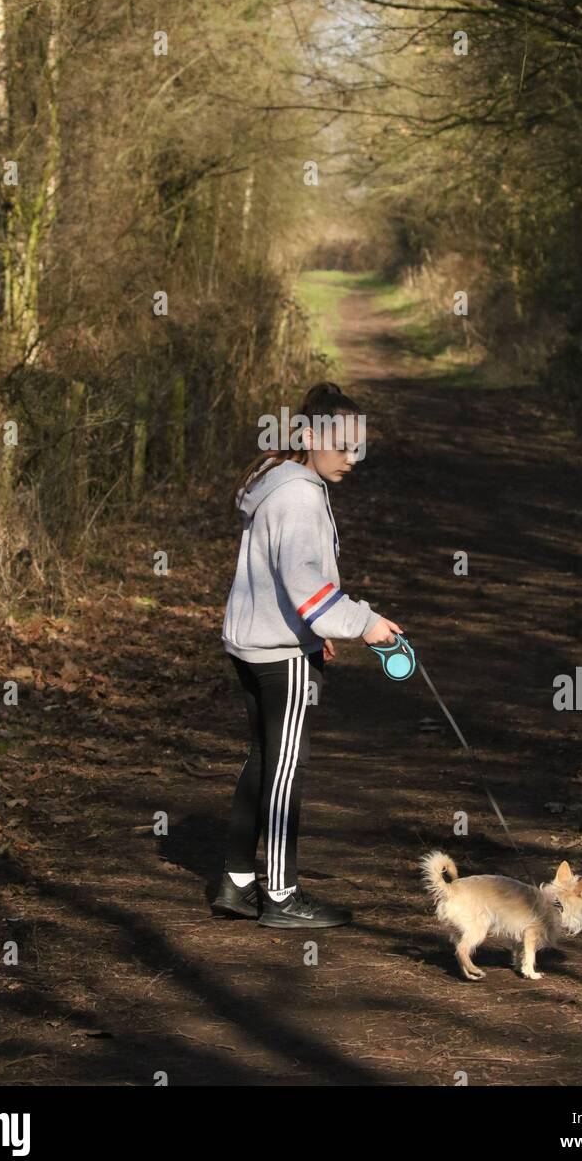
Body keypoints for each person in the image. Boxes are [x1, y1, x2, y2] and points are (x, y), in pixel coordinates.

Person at [214, 381, 402, 928]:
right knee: (285, 770)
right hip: (281, 656)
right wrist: (364, 623)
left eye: (356, 448)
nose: (351, 459)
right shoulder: (298, 493)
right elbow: (304, 582)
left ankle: (236, 882)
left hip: (252, 644)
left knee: (263, 759)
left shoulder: (278, 480)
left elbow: (278, 577)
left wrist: (318, 629)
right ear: (311, 435)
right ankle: (281, 895)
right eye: (342, 446)